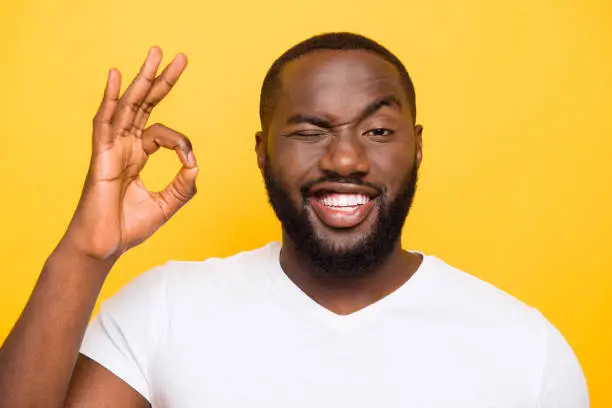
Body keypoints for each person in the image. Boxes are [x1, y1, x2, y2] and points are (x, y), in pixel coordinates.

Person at [0, 32, 588, 408]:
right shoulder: (163, 310)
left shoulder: (525, 348)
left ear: (417, 147)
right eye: (309, 131)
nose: (346, 159)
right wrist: (86, 251)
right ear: (262, 152)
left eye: (378, 131)